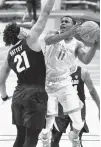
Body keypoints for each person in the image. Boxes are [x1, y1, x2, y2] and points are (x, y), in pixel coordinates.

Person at [0, 0, 56, 147]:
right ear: (18, 36)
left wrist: (4, 96)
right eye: (21, 30)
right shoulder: (31, 39)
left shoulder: (9, 54)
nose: (24, 31)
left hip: (18, 96)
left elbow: (1, 80)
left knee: (20, 137)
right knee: (31, 139)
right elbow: (45, 13)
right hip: (36, 95)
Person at [40, 16, 100, 147]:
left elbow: (85, 60)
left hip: (64, 84)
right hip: (48, 84)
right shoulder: (53, 34)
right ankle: (44, 135)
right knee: (48, 123)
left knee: (78, 122)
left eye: (66, 21)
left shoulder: (77, 44)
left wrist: (95, 44)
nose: (62, 23)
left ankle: (74, 135)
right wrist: (69, 32)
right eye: (61, 21)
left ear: (73, 25)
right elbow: (48, 41)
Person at [51, 66, 100, 147]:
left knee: (77, 140)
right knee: (55, 139)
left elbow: (92, 91)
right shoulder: (56, 71)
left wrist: (99, 107)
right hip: (60, 109)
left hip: (78, 109)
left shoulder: (83, 72)